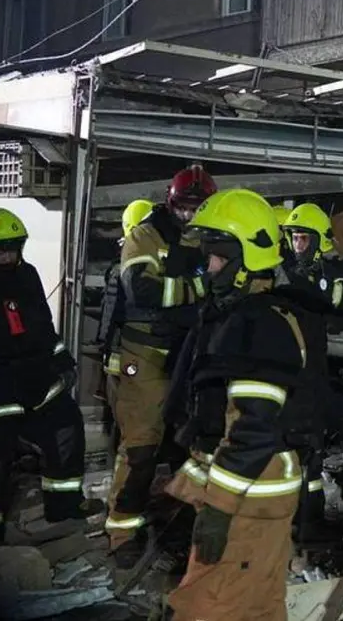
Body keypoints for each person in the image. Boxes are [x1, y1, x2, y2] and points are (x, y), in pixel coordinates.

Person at [163, 188, 320, 621]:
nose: (207, 266)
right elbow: (215, 418)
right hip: (248, 495)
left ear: (244, 258)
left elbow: (254, 429)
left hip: (251, 498)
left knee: (211, 608)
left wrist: (218, 508)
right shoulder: (239, 317)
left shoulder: (261, 324)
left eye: (215, 256)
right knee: (256, 607)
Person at [0, 209, 103, 543]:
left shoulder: (28, 276)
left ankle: (63, 508)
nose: (8, 255)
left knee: (66, 428)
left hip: (34, 381)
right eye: (0, 249)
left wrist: (63, 359)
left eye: (14, 248)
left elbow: (42, 326)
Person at [105, 165, 216, 567]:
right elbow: (143, 289)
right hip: (146, 355)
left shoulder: (210, 237)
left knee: (189, 446)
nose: (190, 215)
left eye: (197, 208)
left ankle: (185, 527)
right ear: (172, 203)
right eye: (185, 207)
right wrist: (200, 288)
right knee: (141, 448)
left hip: (191, 355)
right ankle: (121, 533)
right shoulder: (146, 235)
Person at [280, 202, 343, 540]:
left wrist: (305, 285)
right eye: (294, 239)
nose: (298, 246)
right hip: (310, 378)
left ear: (320, 240)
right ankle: (310, 521)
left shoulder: (341, 271)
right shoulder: (288, 273)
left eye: (304, 239)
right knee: (310, 449)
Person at [99, 199, 156, 446]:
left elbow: (109, 314)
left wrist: (104, 346)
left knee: (124, 415)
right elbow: (112, 311)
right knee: (127, 416)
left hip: (122, 353)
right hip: (127, 354)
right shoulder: (133, 267)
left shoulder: (122, 265)